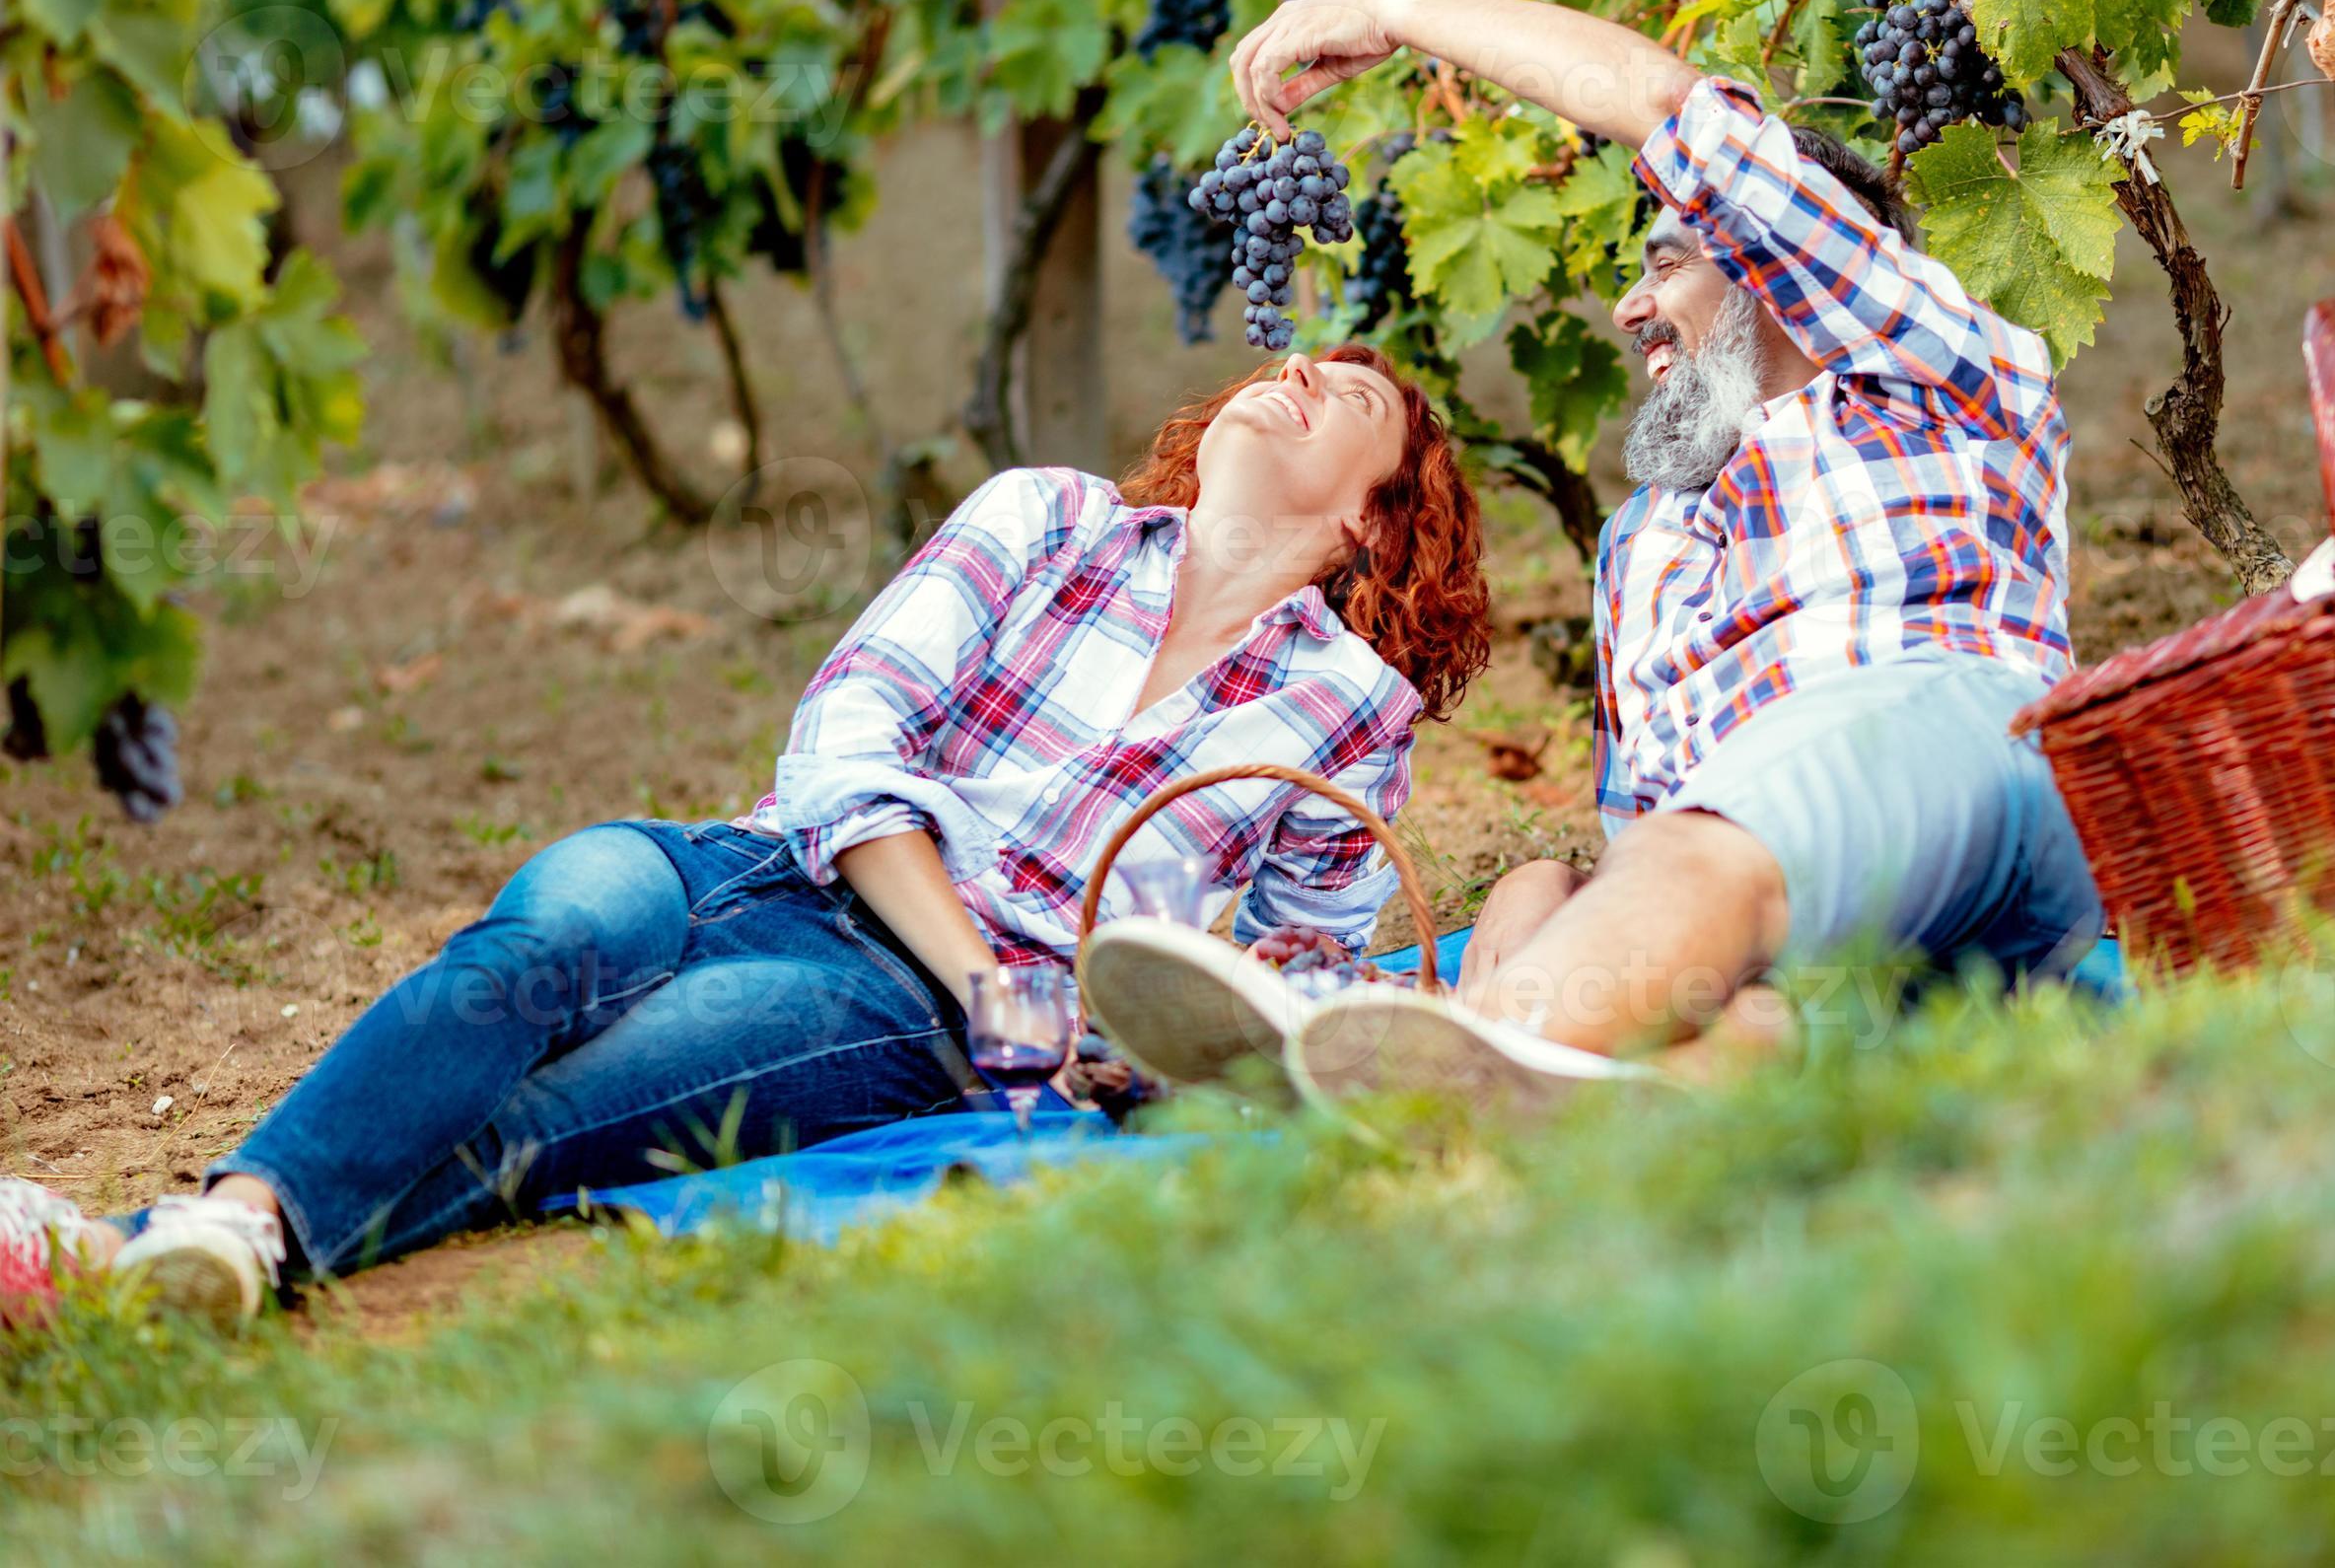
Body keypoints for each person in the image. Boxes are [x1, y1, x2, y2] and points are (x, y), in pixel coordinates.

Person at [0, 345, 1490, 1322]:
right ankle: (214, 1234)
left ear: (1371, 519)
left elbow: (1289, 997)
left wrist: (1131, 1043)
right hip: (761, 863)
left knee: (570, 1108)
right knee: (546, 938)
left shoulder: (1343, 709)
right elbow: (847, 735)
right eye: (1288, 362)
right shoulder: (1044, 518)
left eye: (1345, 398)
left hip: (882, 1007)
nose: (1295, 375)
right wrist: (991, 975)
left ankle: (184, 1242)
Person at [1130, 0, 2103, 1112]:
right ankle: (1562, 1109)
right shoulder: (1645, 541)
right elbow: (1647, 834)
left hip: (1970, 763)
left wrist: (1390, 14)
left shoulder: (1934, 378)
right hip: (1807, 917)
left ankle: (1410, 1090)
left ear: (1786, 264)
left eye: (1668, 262)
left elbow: (1669, 110)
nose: (1630, 307)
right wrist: (1554, 905)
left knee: (1696, 853)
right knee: (1554, 894)